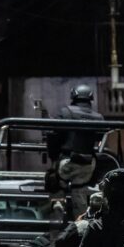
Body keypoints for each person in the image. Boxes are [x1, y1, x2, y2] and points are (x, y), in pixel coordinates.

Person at [47, 84, 105, 216]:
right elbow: (99, 137)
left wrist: (53, 156)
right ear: (90, 98)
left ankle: (58, 205)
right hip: (87, 164)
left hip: (66, 162)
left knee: (55, 181)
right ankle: (81, 222)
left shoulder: (65, 112)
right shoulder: (98, 117)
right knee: (79, 192)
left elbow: (53, 135)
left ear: (73, 96)